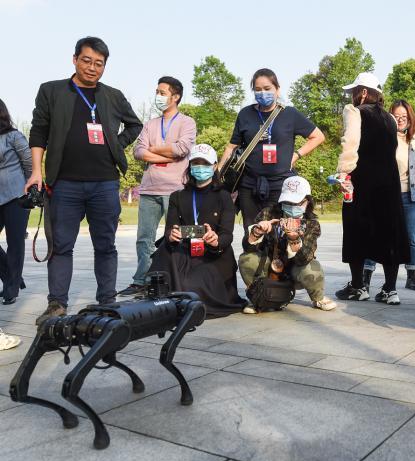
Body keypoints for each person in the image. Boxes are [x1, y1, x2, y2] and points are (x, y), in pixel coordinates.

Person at [25, 37, 142, 325]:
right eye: (87, 60)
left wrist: (116, 143)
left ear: (105, 66)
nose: (92, 68)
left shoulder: (112, 96)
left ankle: (107, 301)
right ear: (75, 59)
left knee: (106, 244)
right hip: (64, 183)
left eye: (99, 63)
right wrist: (36, 171)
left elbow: (135, 124)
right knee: (61, 246)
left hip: (105, 183)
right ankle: (57, 304)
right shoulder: (51, 91)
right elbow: (39, 131)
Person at [334, 73, 410, 305]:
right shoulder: (389, 118)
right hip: (389, 182)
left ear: (364, 92)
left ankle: (358, 286)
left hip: (363, 179)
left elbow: (351, 142)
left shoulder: (354, 111)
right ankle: (389, 289)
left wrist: (343, 172)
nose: (352, 96)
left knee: (356, 229)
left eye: (354, 91)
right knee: (389, 232)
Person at [218, 68, 325, 232]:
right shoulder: (245, 114)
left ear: (277, 89)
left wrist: (296, 155)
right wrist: (218, 172)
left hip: (281, 187)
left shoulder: (290, 114)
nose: (262, 93)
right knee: (253, 232)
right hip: (249, 185)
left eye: (267, 88)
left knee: (278, 234)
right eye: (258, 89)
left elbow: (318, 136)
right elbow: (232, 146)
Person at [148, 144, 247, 318]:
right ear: (190, 166)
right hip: (184, 249)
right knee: (165, 255)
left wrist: (215, 240)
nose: (200, 168)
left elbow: (227, 234)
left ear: (215, 166)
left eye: (205, 164)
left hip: (213, 253)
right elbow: (169, 229)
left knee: (195, 282)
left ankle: (190, 301)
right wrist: (172, 235)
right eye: (196, 164)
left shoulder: (223, 196)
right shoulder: (177, 196)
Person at [119, 76, 197, 296]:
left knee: (180, 235)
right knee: (144, 238)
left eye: (162, 92)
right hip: (149, 189)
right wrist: (165, 152)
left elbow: (181, 149)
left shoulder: (187, 122)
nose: (158, 96)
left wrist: (153, 149)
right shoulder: (150, 124)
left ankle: (182, 278)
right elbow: (138, 152)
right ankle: (141, 280)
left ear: (176, 97)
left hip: (176, 189)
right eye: (157, 92)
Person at [239, 175, 336, 313]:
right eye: (287, 202)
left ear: (307, 201)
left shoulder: (312, 224)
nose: (291, 207)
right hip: (268, 267)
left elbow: (304, 258)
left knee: (313, 267)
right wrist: (256, 232)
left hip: (294, 270)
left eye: (296, 203)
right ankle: (257, 297)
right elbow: (247, 248)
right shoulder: (268, 213)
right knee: (247, 258)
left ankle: (318, 298)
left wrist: (294, 240)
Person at [363, 100, 415, 292]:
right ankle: (366, 277)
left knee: (410, 237)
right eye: (396, 116)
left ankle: (412, 276)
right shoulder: (382, 137)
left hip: (410, 196)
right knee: (376, 235)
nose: (400, 120)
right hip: (384, 195)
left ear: (410, 119)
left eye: (404, 117)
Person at [0, 98, 31, 305]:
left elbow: (29, 163)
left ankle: (11, 289)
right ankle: (13, 276)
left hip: (16, 197)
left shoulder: (13, 136)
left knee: (15, 243)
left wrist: (29, 189)